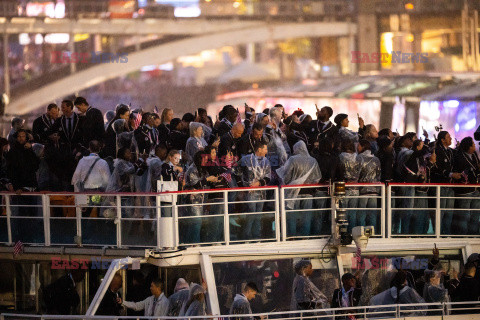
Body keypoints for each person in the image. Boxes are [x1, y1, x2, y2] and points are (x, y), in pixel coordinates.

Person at [276, 141, 322, 237]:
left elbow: (286, 176)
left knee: (292, 215)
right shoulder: (313, 160)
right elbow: (317, 178)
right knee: (307, 216)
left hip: (293, 192)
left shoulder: (292, 159)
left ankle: (292, 236)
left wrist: (291, 183)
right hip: (308, 193)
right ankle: (305, 236)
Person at [239, 141, 271, 239]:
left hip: (261, 192)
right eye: (265, 149)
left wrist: (258, 183)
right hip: (250, 191)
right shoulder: (246, 159)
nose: (267, 151)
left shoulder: (266, 161)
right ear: (259, 149)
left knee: (258, 215)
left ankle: (256, 236)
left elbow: (268, 177)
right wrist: (242, 187)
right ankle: (246, 236)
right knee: (251, 213)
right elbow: (236, 172)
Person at [432, 131, 461, 235]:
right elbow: (436, 168)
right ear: (442, 140)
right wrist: (450, 174)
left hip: (450, 186)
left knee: (449, 212)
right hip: (441, 185)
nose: (451, 138)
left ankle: (447, 234)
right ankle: (438, 234)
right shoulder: (437, 151)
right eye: (448, 137)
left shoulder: (451, 152)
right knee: (441, 211)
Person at [452, 137, 480, 235]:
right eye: (473, 144)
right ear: (468, 147)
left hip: (476, 189)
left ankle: (473, 234)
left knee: (475, 215)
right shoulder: (459, 157)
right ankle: (463, 235)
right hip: (464, 191)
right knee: (465, 216)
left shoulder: (475, 155)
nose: (475, 146)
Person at [357, 139, 381, 232]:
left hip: (363, 190)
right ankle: (372, 234)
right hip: (374, 190)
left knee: (361, 214)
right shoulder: (376, 159)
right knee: (372, 215)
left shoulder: (359, 158)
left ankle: (361, 233)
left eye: (359, 145)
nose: (357, 147)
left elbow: (357, 173)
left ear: (363, 146)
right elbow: (378, 174)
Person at [338, 139, 361, 233]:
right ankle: (352, 232)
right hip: (355, 187)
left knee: (343, 212)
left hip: (345, 187)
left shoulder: (341, 156)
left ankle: (343, 232)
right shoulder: (358, 157)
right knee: (353, 212)